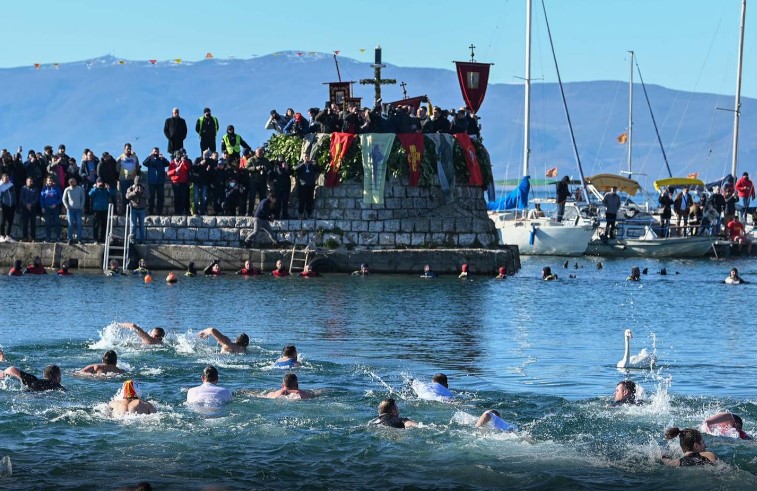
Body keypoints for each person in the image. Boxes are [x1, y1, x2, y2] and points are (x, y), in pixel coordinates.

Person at [143, 147, 170, 215]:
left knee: (160, 197)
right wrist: (150, 156)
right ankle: (151, 211)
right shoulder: (150, 160)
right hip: (151, 182)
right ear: (152, 152)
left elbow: (168, 164)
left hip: (160, 181)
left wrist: (162, 158)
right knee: (151, 197)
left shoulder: (161, 159)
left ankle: (159, 212)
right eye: (154, 151)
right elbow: (144, 163)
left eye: (157, 151)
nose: (156, 153)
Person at [116, 143, 140, 216]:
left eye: (130, 148)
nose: (129, 150)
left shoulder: (135, 157)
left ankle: (132, 211)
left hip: (132, 179)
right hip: (124, 179)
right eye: (127, 149)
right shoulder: (120, 158)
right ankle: (125, 211)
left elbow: (137, 167)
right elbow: (117, 169)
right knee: (125, 196)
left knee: (133, 196)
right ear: (124, 149)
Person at [0, 364, 64, 391]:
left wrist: (3, 374)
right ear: (57, 376)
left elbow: (11, 369)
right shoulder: (56, 385)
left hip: (26, 393)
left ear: (44, 375)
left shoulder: (33, 380)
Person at [61, 177, 85, 244]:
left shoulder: (80, 189)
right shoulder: (67, 189)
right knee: (70, 224)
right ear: (69, 183)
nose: (73, 183)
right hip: (70, 210)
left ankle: (79, 239)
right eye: (71, 182)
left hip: (78, 210)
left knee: (79, 224)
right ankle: (70, 239)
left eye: (74, 181)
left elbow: (83, 198)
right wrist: (66, 206)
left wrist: (81, 206)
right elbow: (64, 199)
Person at [39, 175, 62, 242]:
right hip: (47, 208)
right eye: (49, 181)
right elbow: (41, 199)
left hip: (55, 207)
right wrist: (42, 207)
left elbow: (61, 198)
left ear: (53, 181)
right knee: (47, 223)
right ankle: (48, 237)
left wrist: (56, 204)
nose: (50, 182)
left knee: (57, 222)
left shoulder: (57, 188)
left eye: (51, 181)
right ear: (47, 181)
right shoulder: (44, 189)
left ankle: (58, 237)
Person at [167, 151, 190, 215]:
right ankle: (177, 211)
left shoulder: (184, 161)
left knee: (182, 197)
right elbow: (168, 173)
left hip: (183, 182)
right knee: (176, 197)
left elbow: (187, 168)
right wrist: (175, 170)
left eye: (180, 155)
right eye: (178, 155)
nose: (179, 156)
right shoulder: (172, 163)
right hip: (175, 182)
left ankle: (182, 211)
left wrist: (184, 161)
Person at [125, 176, 148, 244]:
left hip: (142, 209)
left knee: (141, 225)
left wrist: (142, 192)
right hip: (133, 209)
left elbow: (148, 195)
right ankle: (132, 240)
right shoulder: (131, 188)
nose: (138, 185)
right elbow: (127, 196)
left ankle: (142, 240)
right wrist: (134, 192)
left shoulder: (144, 188)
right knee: (133, 225)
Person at [89, 178, 110, 244]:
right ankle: (95, 239)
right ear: (97, 183)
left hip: (104, 210)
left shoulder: (105, 190)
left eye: (101, 182)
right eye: (99, 182)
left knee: (104, 225)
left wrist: (108, 188)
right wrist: (96, 188)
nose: (100, 183)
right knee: (96, 225)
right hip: (96, 210)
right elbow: (90, 194)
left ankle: (102, 238)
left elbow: (112, 194)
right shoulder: (94, 189)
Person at [19, 176, 37, 242]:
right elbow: (22, 198)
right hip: (25, 207)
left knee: (33, 223)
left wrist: (31, 204)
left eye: (31, 181)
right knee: (25, 223)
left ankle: (33, 237)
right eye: (29, 181)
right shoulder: (23, 188)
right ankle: (25, 237)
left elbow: (36, 198)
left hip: (33, 208)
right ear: (26, 182)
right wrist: (26, 204)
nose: (31, 182)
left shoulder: (35, 188)